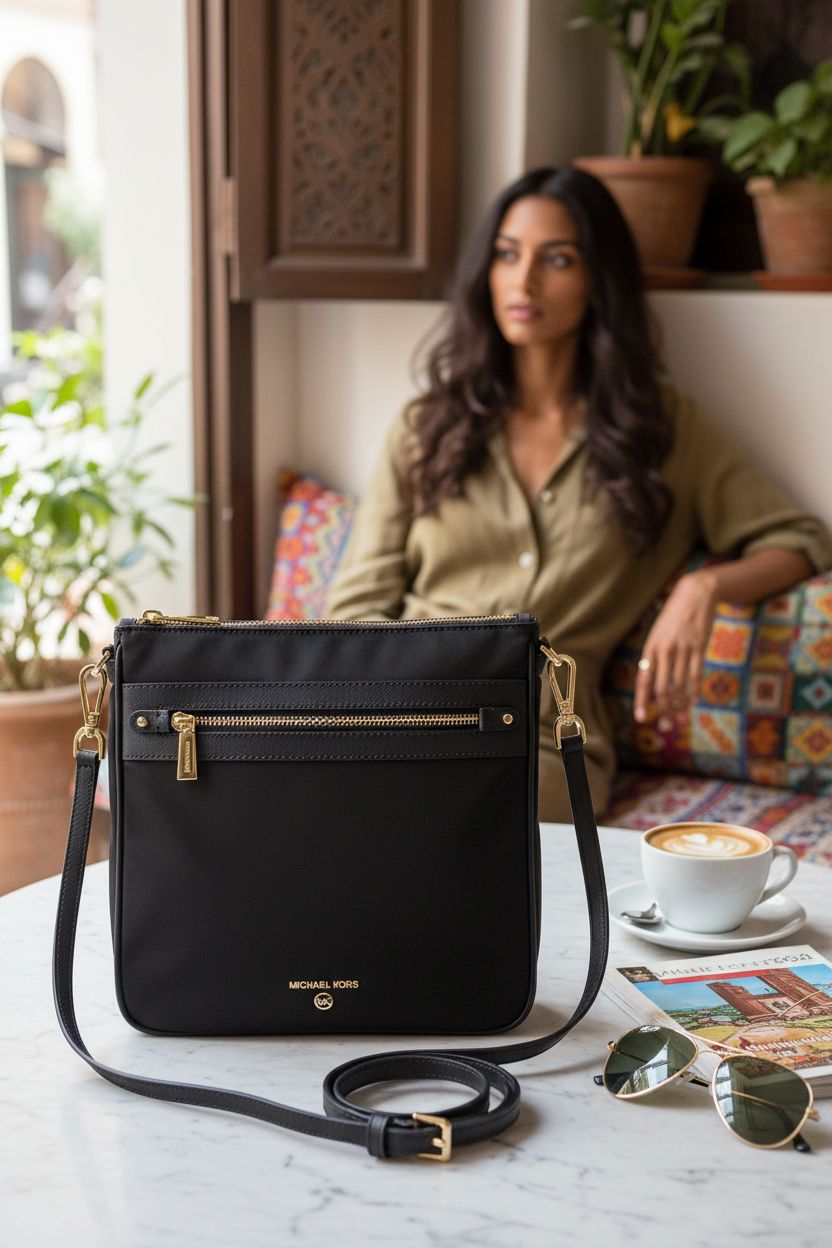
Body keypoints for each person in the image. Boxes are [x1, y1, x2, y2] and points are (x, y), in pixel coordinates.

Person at [322, 166, 832, 822]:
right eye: (508, 255)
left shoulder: (661, 434)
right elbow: (355, 610)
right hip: (405, 716)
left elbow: (799, 539)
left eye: (556, 259)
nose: (524, 281)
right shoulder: (427, 427)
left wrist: (703, 589)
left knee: (459, 843)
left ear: (598, 278)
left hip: (542, 745)